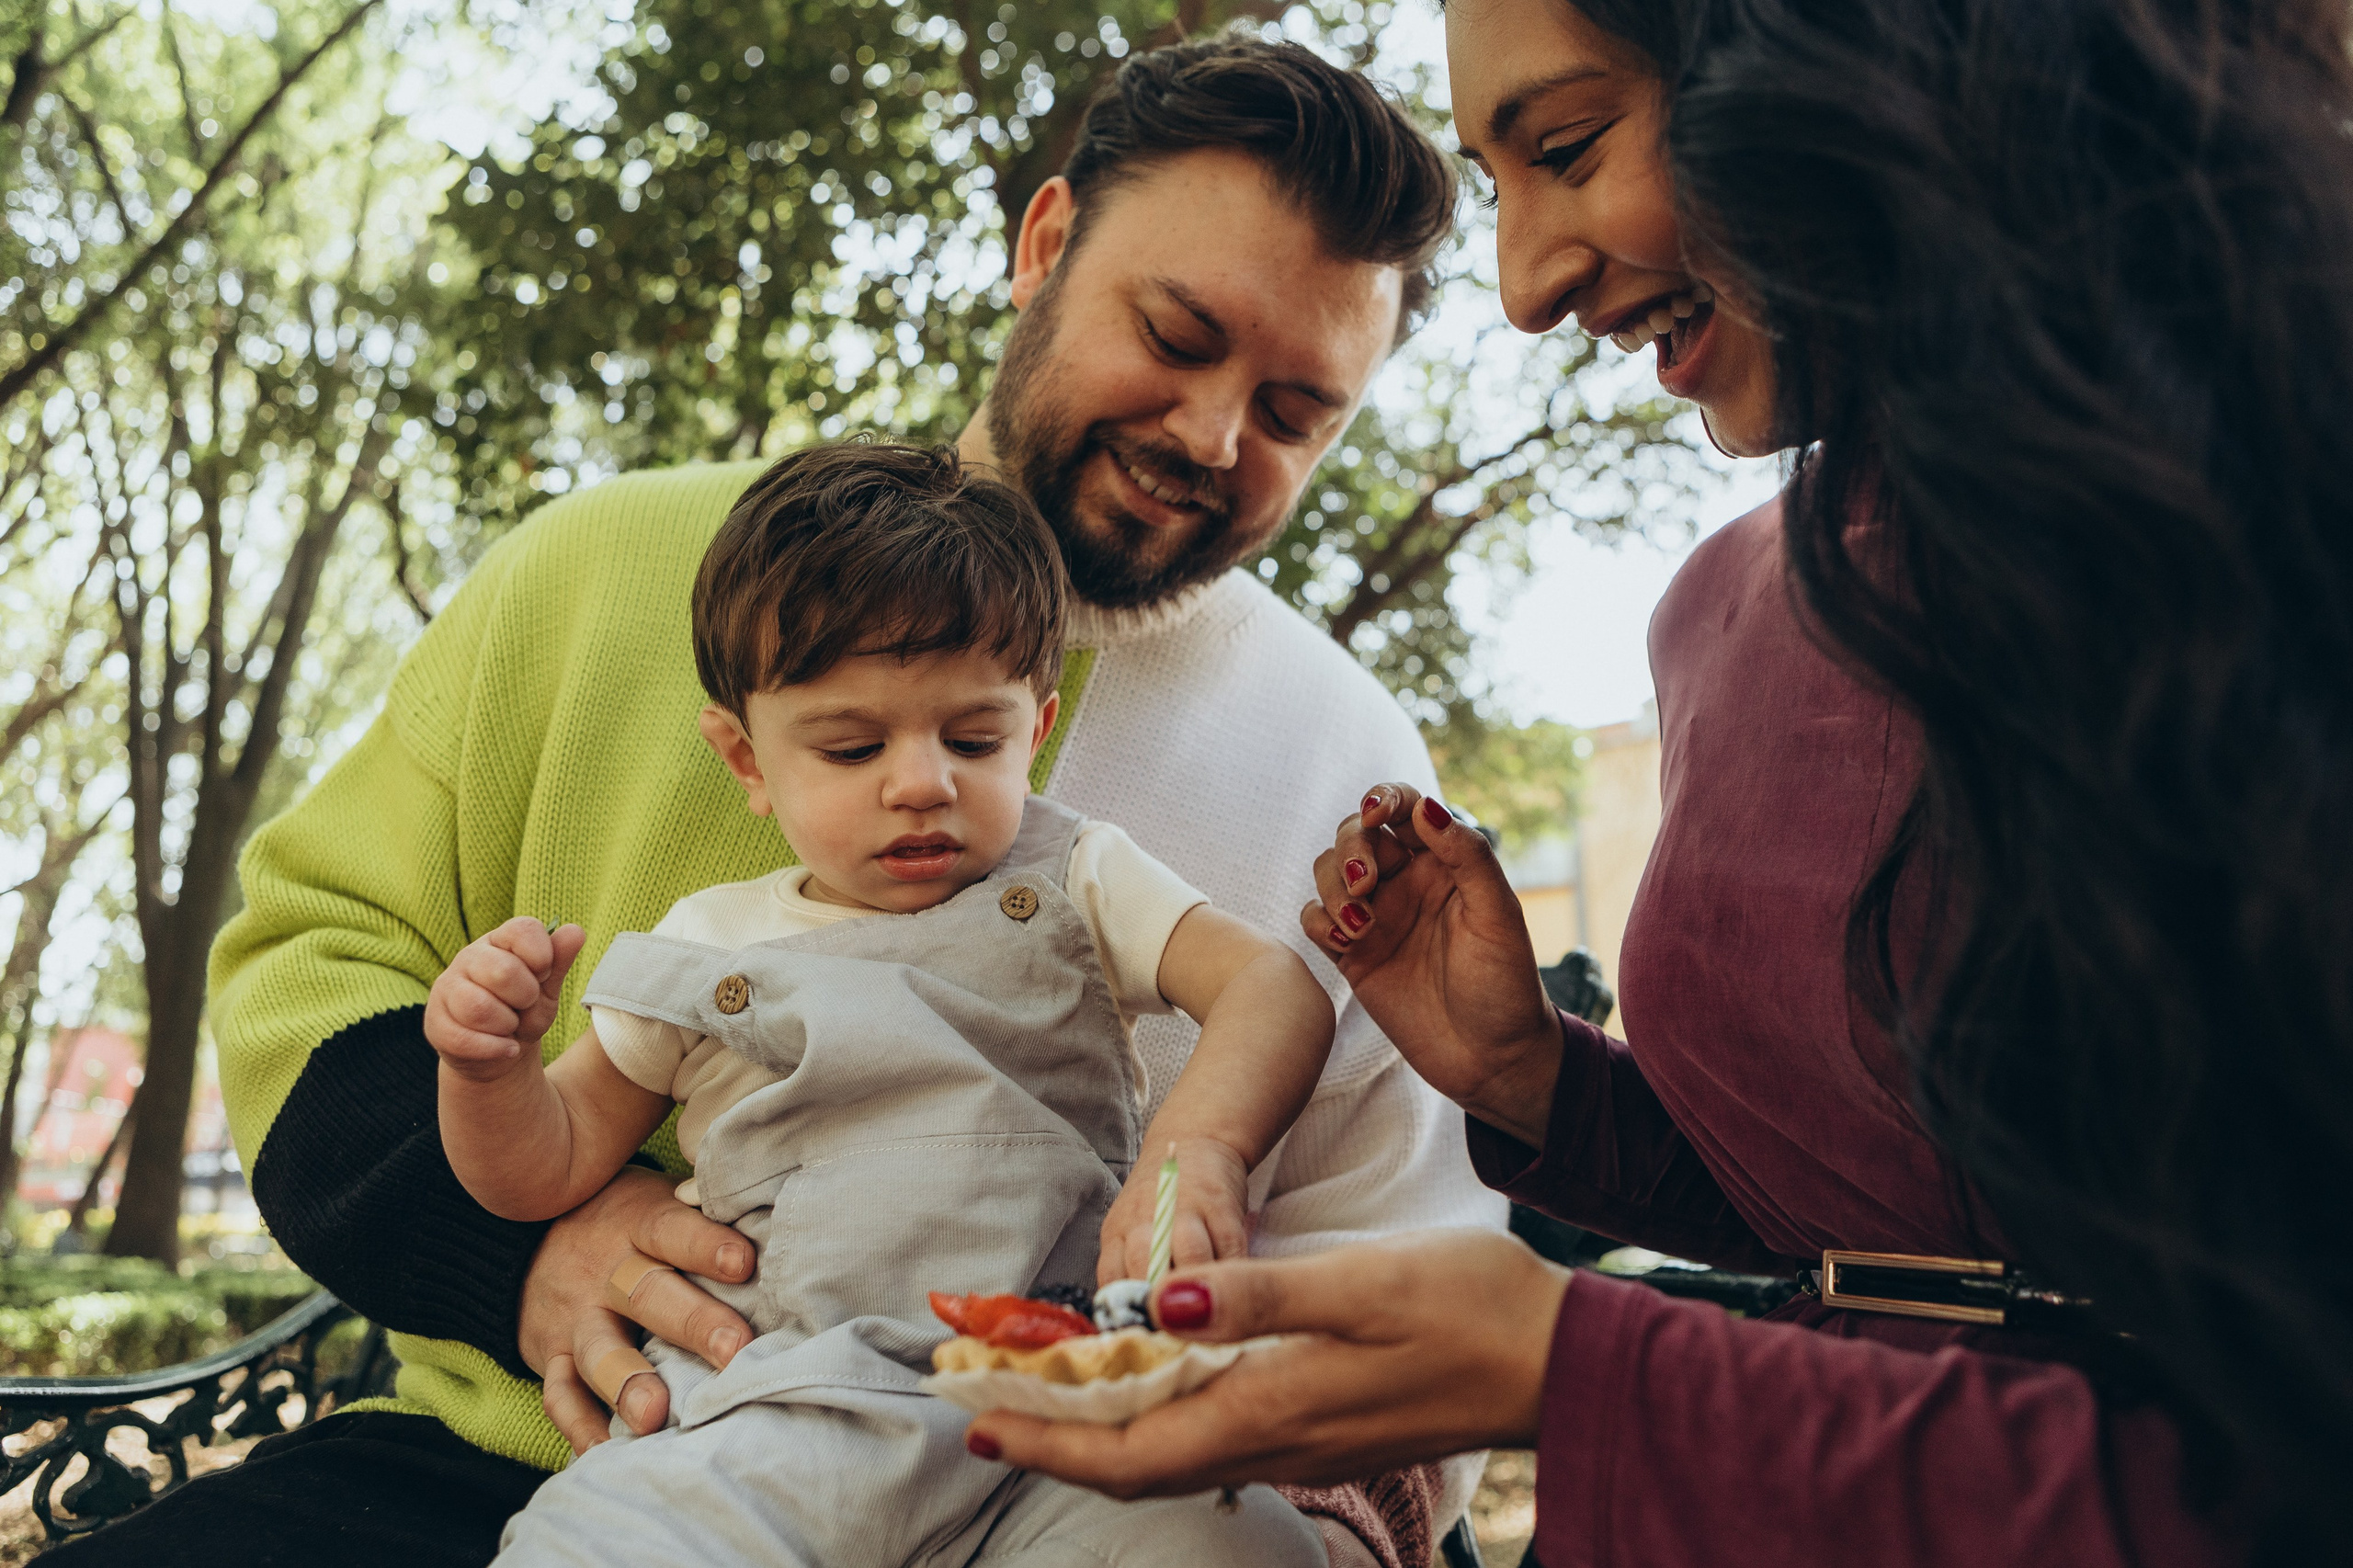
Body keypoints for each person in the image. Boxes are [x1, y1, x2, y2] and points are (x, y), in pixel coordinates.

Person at [55, 34, 1506, 1568]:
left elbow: (1396, 1275)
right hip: (563, 1468)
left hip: (1074, 1496)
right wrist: (524, 1245)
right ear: (1047, 243)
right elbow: (311, 966)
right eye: (1178, 332)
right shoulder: (599, 571)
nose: (1215, 436)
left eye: (1296, 411)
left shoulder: (1352, 762)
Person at [966, 0, 2353, 1563]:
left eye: (1569, 146)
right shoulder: (1724, 616)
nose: (1526, 286)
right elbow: (1901, 1232)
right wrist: (1540, 1084)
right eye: (1501, 184)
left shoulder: (2288, 525)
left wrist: (1588, 1371)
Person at [433, 440, 1330, 1565]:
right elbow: (540, 1167)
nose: (921, 781)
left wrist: (1194, 1150)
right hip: (766, 1417)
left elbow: (1271, 983)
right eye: (853, 746)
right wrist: (486, 1069)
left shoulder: (1075, 876)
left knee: (1246, 1544)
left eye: (973, 738)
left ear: (1035, 733)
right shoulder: (709, 940)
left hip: (1050, 1409)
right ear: (746, 759)